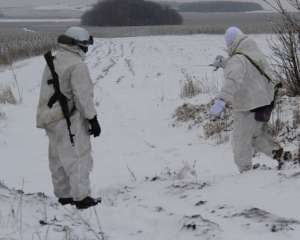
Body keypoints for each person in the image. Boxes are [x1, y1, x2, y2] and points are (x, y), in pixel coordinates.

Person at [210, 26, 291, 173]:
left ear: (230, 43)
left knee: (240, 140)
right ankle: (280, 154)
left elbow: (233, 80)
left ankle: (245, 172)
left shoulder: (237, 59)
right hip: (265, 101)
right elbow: (245, 68)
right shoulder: (253, 51)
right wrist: (225, 63)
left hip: (248, 105)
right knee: (256, 135)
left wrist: (221, 101)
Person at [36, 26, 101, 209]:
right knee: (78, 156)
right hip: (68, 118)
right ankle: (82, 198)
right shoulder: (77, 65)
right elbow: (83, 96)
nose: (86, 48)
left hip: (50, 118)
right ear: (78, 44)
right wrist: (92, 119)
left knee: (57, 157)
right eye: (85, 44)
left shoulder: (55, 60)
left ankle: (64, 196)